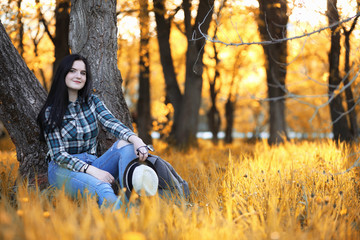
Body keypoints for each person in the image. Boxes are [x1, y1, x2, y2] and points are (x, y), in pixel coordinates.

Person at [37, 54, 158, 210]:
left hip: (93, 162)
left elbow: (112, 123)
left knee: (126, 145)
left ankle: (131, 199)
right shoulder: (51, 112)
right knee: (102, 187)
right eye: (72, 71)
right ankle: (126, 222)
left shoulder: (92, 102)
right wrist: (92, 171)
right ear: (63, 74)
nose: (78, 76)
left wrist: (136, 140)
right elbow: (59, 155)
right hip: (63, 170)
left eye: (83, 73)